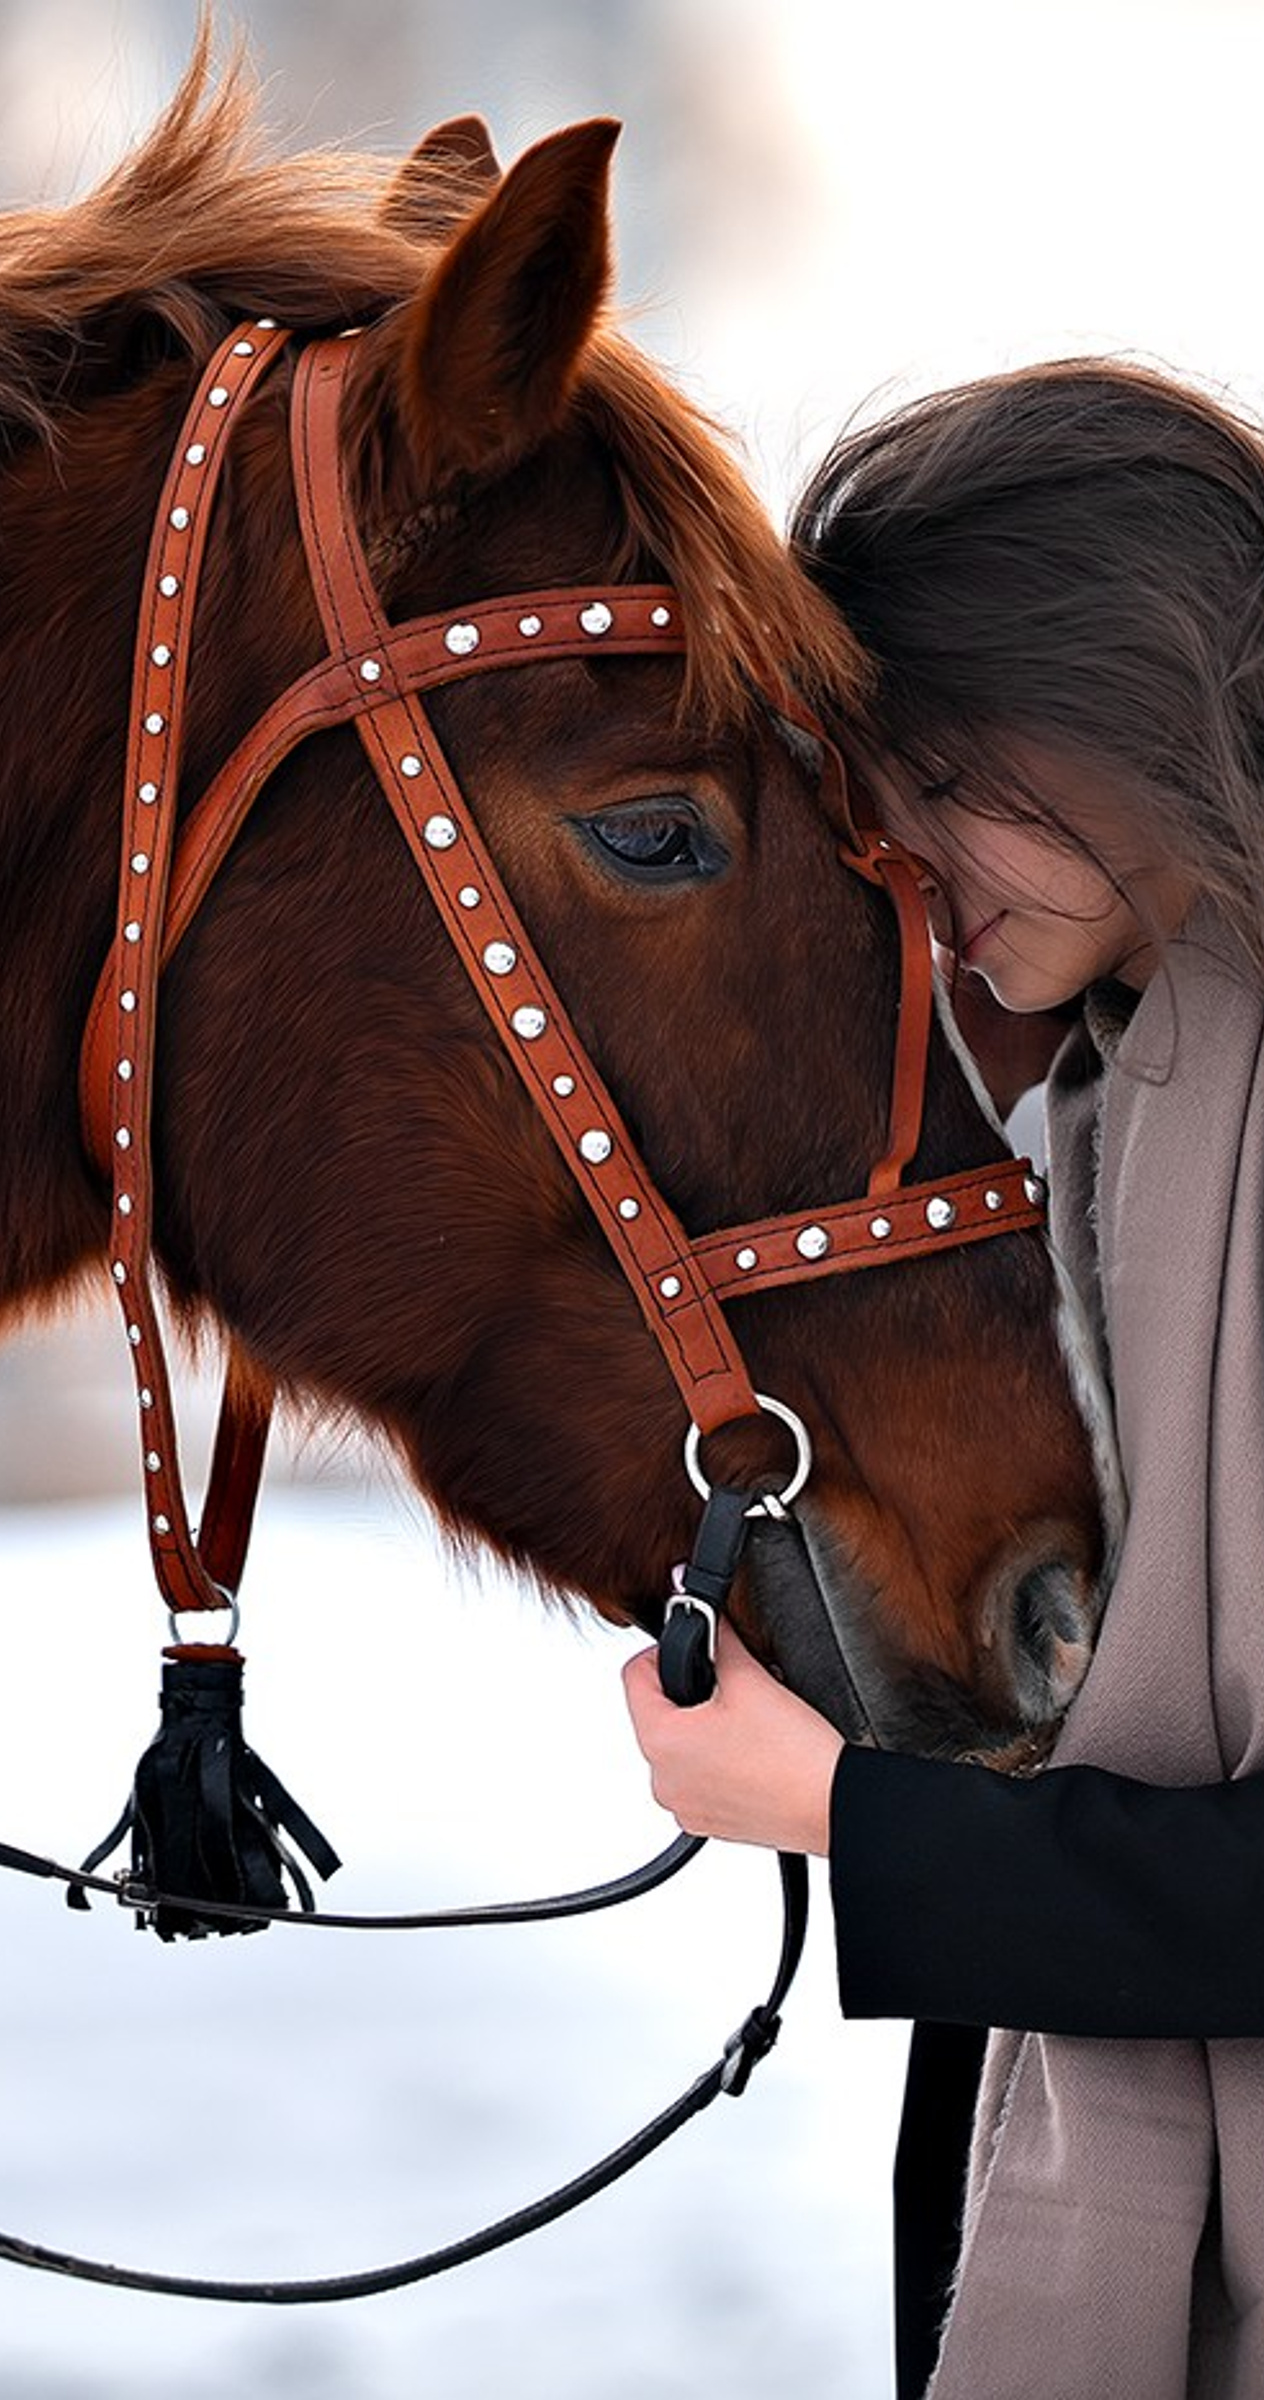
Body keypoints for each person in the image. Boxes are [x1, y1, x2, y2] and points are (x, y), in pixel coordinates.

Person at [623, 358, 1264, 2400]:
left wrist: (858, 1823)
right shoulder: (1113, 1100)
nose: (896, 850)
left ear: (1123, 690)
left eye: (937, 767)